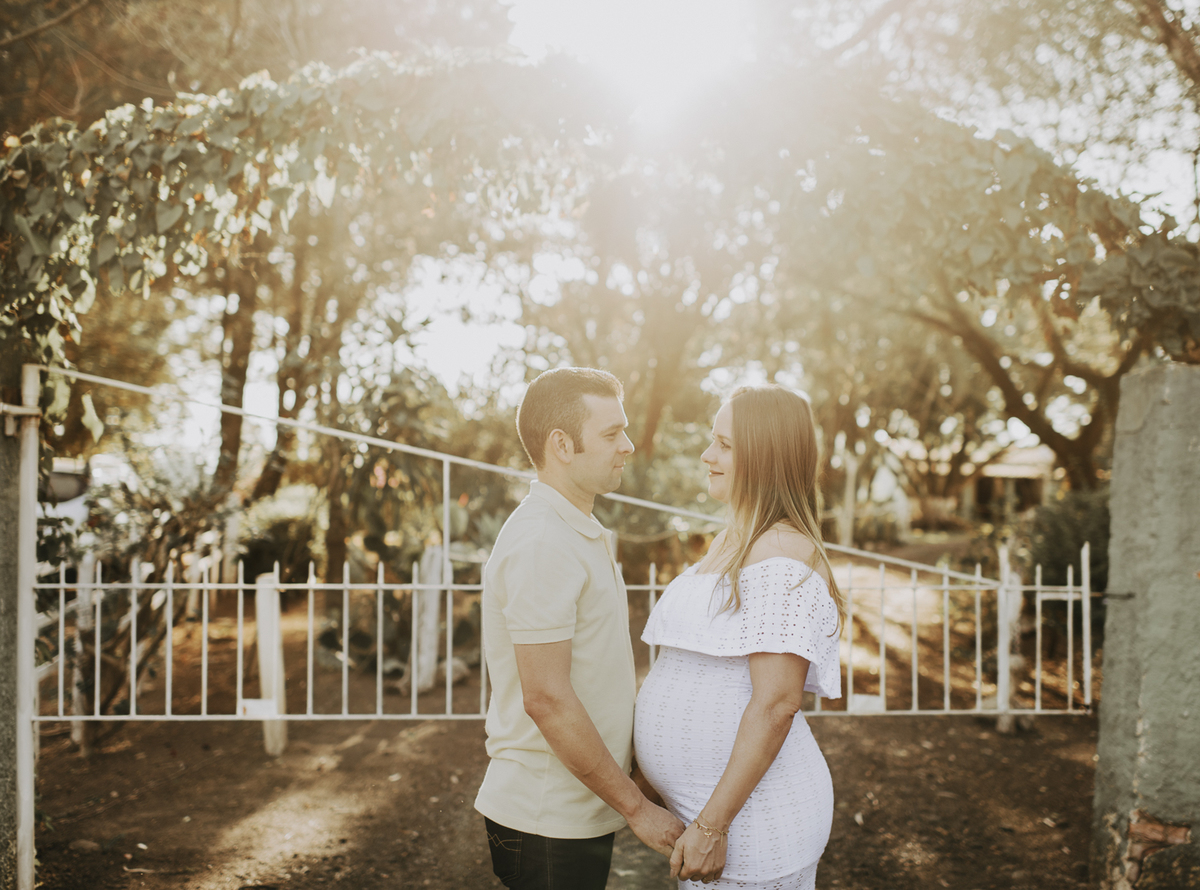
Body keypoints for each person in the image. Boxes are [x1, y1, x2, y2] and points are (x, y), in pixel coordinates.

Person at [475, 367, 685, 890]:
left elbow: (596, 674)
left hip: (578, 807)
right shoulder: (542, 542)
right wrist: (637, 809)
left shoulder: (577, 530)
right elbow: (546, 698)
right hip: (546, 817)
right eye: (612, 434)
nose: (629, 446)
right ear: (562, 445)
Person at [633, 385, 847, 889]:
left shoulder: (782, 552)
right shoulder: (732, 540)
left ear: (766, 455)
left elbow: (776, 704)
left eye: (724, 445)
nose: (708, 455)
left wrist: (711, 826)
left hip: (754, 824)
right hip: (711, 813)